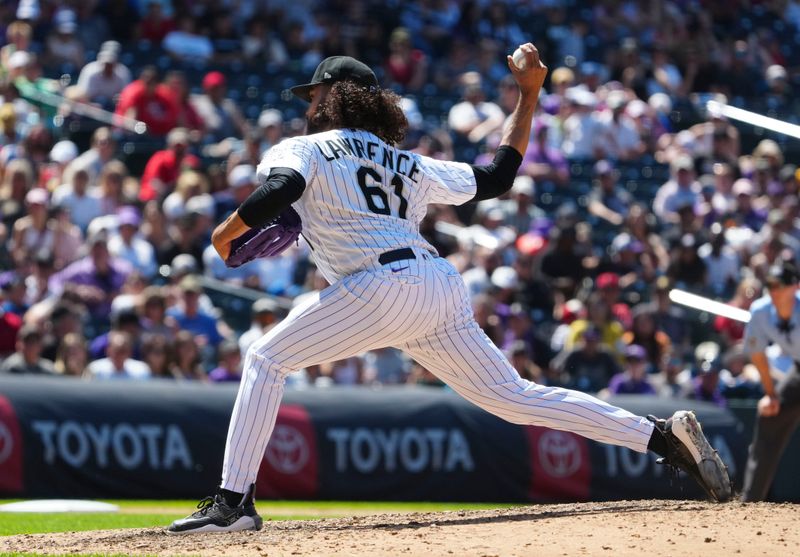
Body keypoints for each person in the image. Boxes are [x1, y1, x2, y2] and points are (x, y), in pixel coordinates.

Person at [168, 46, 731, 534]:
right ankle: (661, 438)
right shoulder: (407, 162)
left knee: (265, 357)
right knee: (512, 398)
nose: (309, 104)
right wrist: (528, 94)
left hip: (378, 286)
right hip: (436, 284)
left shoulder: (305, 148)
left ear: (336, 97)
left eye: (316, 94)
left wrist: (225, 232)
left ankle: (233, 502)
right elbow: (499, 176)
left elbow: (283, 187)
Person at [741, 259, 800, 501]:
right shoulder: (761, 311)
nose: (774, 291)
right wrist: (771, 394)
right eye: (771, 285)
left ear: (795, 287)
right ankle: (750, 504)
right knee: (769, 417)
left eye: (780, 285)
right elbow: (758, 356)